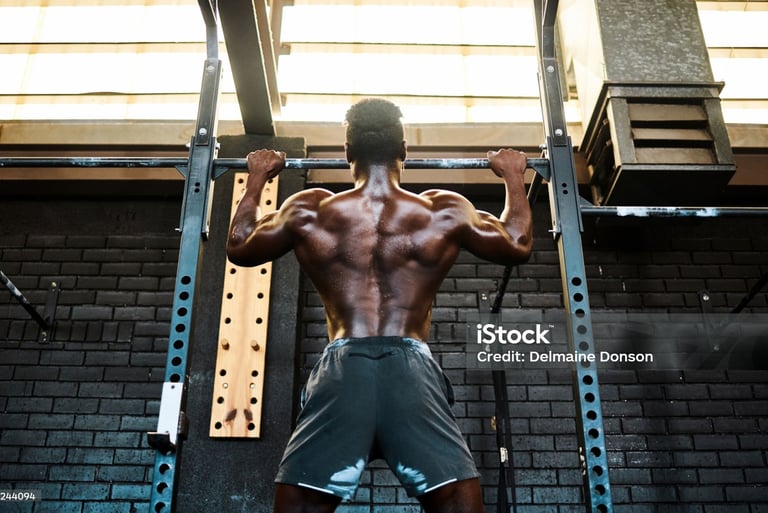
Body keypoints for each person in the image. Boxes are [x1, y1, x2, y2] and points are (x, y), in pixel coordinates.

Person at [226, 98, 533, 513]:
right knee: (458, 502)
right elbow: (517, 244)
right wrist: (513, 176)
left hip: (342, 368)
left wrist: (258, 177)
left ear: (347, 153)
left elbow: (240, 247)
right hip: (411, 369)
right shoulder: (443, 209)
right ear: (404, 150)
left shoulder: (310, 209)